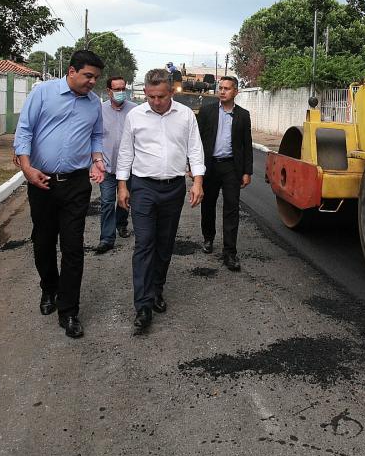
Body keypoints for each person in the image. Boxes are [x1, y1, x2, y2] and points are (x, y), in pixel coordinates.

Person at [14, 50, 105, 339]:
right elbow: (25, 129)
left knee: (73, 246)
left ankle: (69, 311)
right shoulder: (43, 92)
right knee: (42, 241)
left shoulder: (94, 104)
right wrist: (27, 168)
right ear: (71, 71)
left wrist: (97, 158)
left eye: (96, 78)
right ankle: (49, 289)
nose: (92, 82)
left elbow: (96, 136)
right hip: (42, 182)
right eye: (88, 76)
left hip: (76, 184)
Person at [117, 68, 205, 333]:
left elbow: (195, 149)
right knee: (144, 243)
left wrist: (198, 182)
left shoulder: (186, 115)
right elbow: (125, 152)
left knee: (165, 243)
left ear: (171, 93)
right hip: (143, 187)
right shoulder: (134, 116)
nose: (156, 102)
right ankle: (142, 305)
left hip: (173, 188)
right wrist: (122, 185)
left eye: (162, 97)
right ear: (145, 92)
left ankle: (157, 289)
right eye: (152, 96)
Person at [196, 76, 252, 271]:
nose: (222, 91)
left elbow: (247, 145)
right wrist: (194, 167)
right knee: (208, 205)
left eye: (227, 88)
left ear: (235, 92)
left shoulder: (243, 115)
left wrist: (247, 171)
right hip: (210, 166)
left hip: (231, 168)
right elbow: (196, 141)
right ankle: (208, 238)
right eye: (220, 88)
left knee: (231, 209)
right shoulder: (207, 111)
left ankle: (230, 253)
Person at [96, 76, 137, 253]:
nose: (121, 92)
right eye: (117, 89)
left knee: (124, 199)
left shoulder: (135, 110)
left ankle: (121, 224)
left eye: (123, 88)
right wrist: (95, 161)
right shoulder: (99, 110)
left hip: (128, 168)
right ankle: (106, 238)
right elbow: (94, 137)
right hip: (107, 166)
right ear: (109, 91)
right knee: (106, 202)